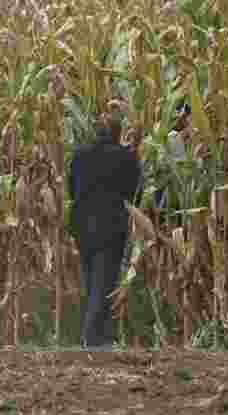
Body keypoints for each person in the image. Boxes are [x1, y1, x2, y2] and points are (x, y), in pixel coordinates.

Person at [69, 113, 142, 350]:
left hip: (81, 224)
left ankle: (97, 337)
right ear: (117, 134)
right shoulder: (125, 157)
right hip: (109, 226)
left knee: (91, 282)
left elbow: (72, 188)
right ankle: (92, 340)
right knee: (103, 283)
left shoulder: (79, 155)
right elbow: (133, 192)